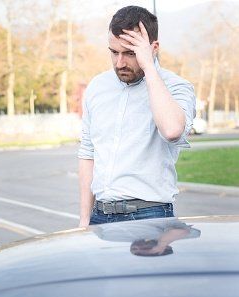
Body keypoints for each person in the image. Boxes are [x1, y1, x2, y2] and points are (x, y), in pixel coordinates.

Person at [78, 6, 196, 226]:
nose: (119, 63)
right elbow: (88, 152)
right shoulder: (97, 87)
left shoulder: (177, 87)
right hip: (99, 216)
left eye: (130, 53)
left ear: (153, 48)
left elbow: (172, 131)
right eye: (114, 52)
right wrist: (85, 219)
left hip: (149, 216)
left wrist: (149, 68)